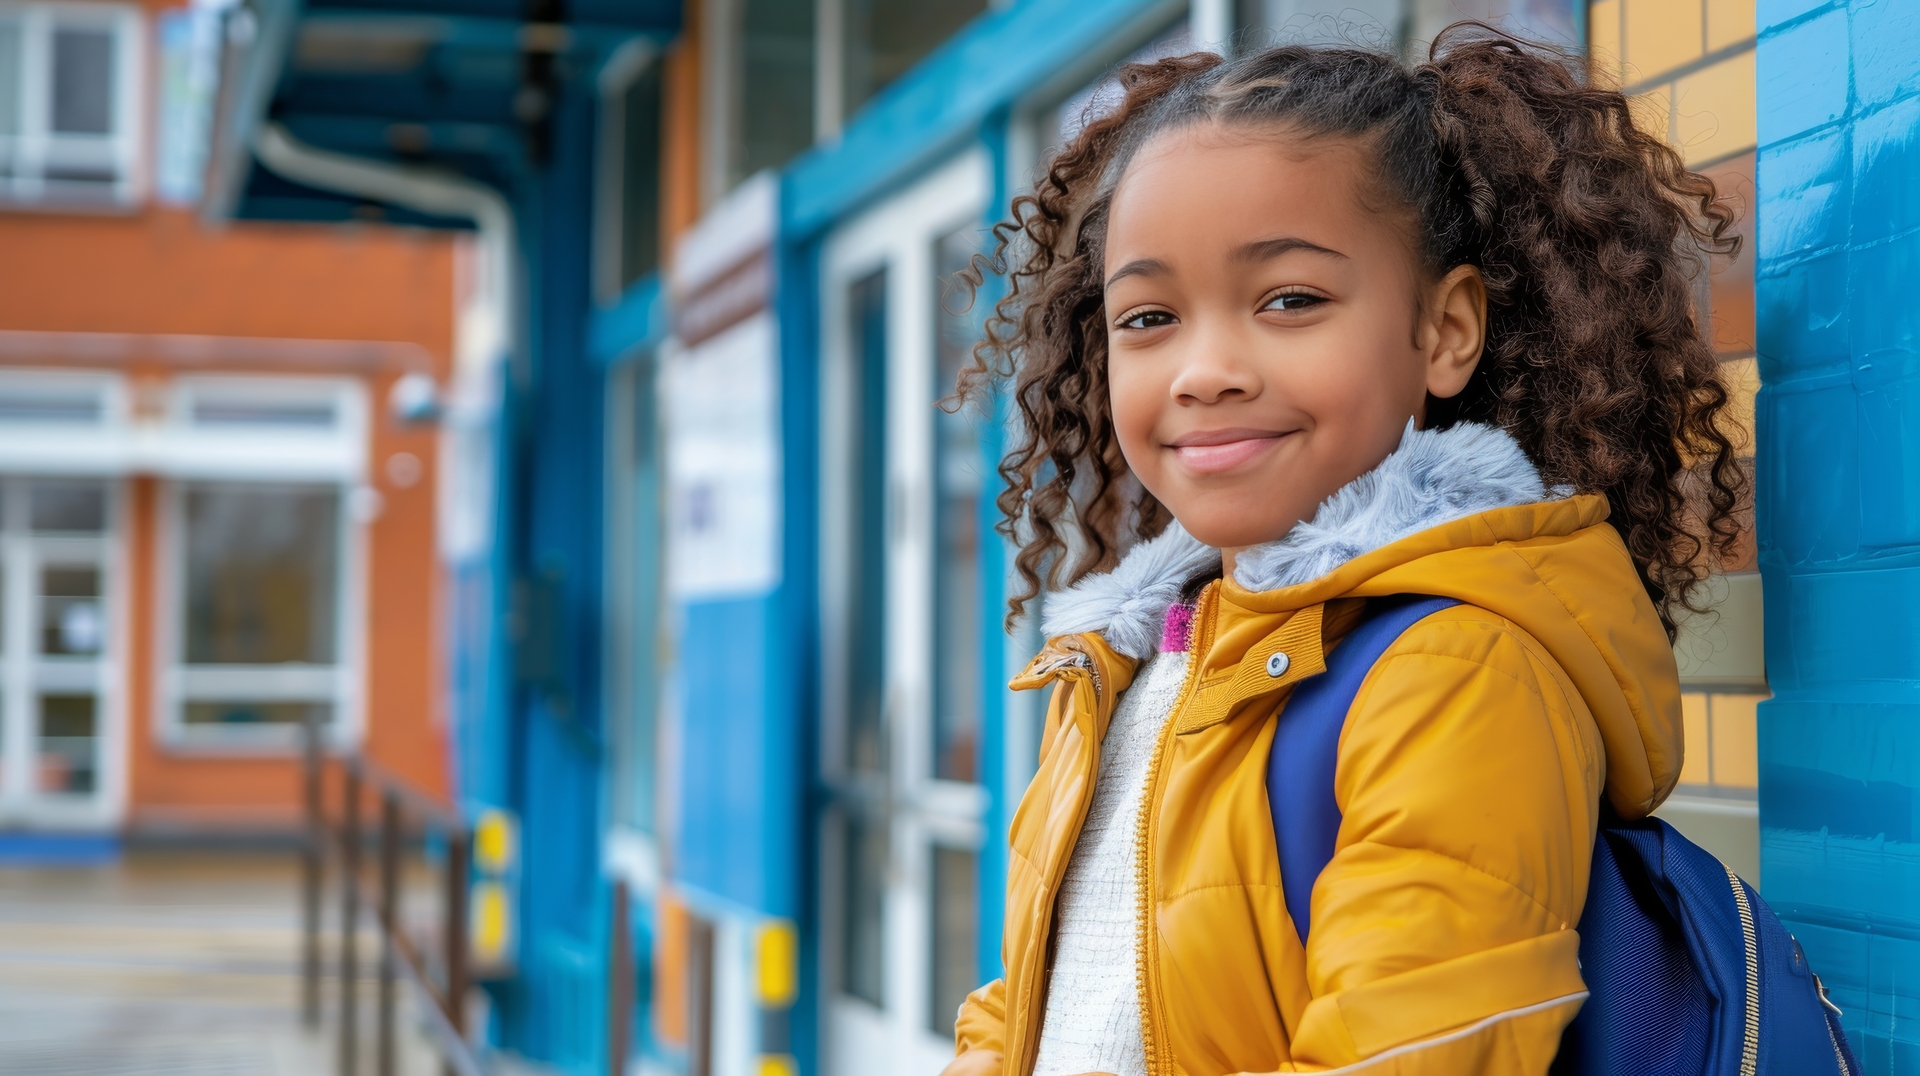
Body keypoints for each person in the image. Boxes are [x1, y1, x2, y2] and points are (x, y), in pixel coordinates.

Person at [940, 23, 1745, 1076]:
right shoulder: (1125, 666)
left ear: (1445, 330)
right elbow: (1027, 1005)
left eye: (1289, 300)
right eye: (1148, 315)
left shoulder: (1456, 674)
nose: (1205, 369)